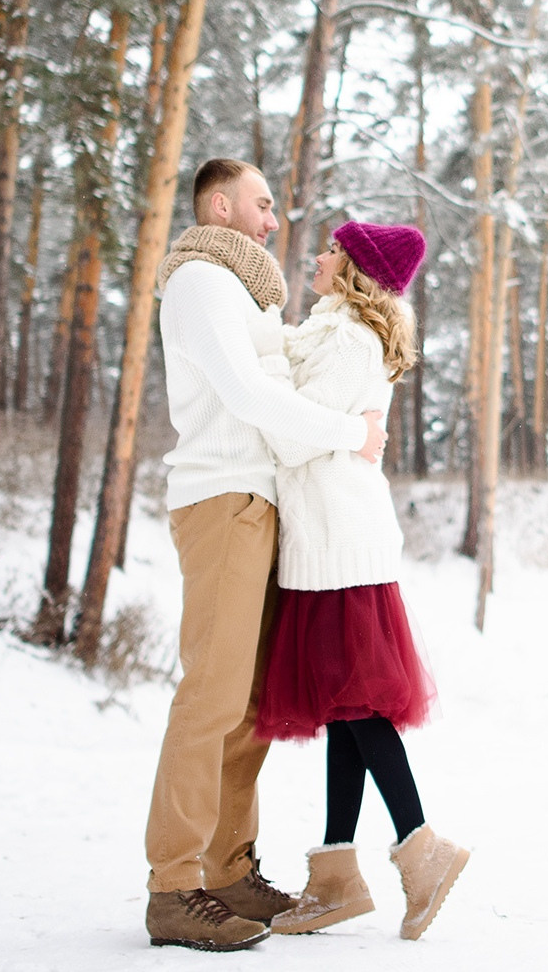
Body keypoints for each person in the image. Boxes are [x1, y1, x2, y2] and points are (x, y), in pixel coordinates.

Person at [142, 159, 388, 954]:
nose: (274, 219)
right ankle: (174, 884)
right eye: (261, 203)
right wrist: (354, 435)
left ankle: (228, 868)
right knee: (211, 697)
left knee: (248, 706)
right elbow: (250, 396)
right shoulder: (201, 280)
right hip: (222, 498)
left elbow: (292, 374)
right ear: (220, 205)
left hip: (261, 502)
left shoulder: (244, 290)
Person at [255, 221, 469, 942]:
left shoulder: (348, 342)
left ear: (353, 271)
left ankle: (422, 846)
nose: (316, 257)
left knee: (355, 705)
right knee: (345, 707)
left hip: (341, 544)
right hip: (330, 543)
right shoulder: (328, 331)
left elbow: (287, 433)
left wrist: (269, 382)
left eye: (331, 251)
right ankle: (336, 877)